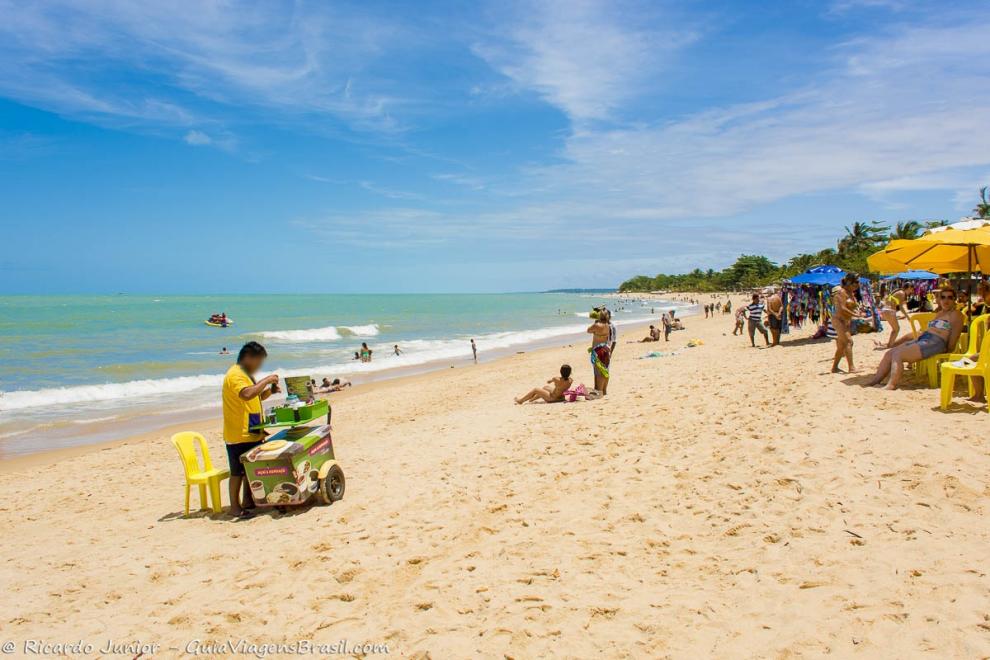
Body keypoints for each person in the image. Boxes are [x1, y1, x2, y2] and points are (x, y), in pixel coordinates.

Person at [865, 286, 964, 390]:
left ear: (954, 300)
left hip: (936, 342)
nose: (946, 300)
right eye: (943, 297)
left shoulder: (956, 315)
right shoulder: (939, 313)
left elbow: (955, 336)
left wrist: (947, 351)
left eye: (950, 297)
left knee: (898, 355)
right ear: (939, 299)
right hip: (925, 339)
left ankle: (891, 385)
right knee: (889, 353)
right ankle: (875, 381)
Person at [222, 342, 280, 519]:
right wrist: (267, 380)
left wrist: (269, 391)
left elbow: (256, 396)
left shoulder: (246, 375)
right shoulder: (235, 375)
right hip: (239, 433)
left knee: (249, 470)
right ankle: (234, 507)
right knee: (237, 473)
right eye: (259, 362)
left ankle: (248, 501)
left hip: (252, 429)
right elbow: (246, 394)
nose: (259, 366)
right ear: (249, 358)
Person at [831, 274, 860, 373]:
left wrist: (858, 311)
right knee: (849, 341)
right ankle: (851, 368)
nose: (858, 284)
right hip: (839, 320)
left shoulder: (851, 293)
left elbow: (852, 306)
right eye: (856, 282)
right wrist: (856, 315)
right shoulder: (841, 293)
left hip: (846, 321)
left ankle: (834, 368)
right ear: (848, 282)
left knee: (842, 345)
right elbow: (842, 308)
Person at [877, 283, 912, 348]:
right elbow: (901, 308)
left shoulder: (898, 291)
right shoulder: (902, 293)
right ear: (909, 288)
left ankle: (889, 344)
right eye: (911, 289)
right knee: (896, 329)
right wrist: (908, 317)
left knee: (895, 329)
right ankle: (890, 345)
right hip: (889, 311)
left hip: (885, 310)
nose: (911, 291)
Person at [587, 311, 612, 395]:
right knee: (604, 370)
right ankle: (604, 390)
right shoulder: (608, 326)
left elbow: (588, 330)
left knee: (598, 371)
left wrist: (595, 325)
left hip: (597, 350)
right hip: (605, 349)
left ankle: (599, 390)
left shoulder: (596, 325)